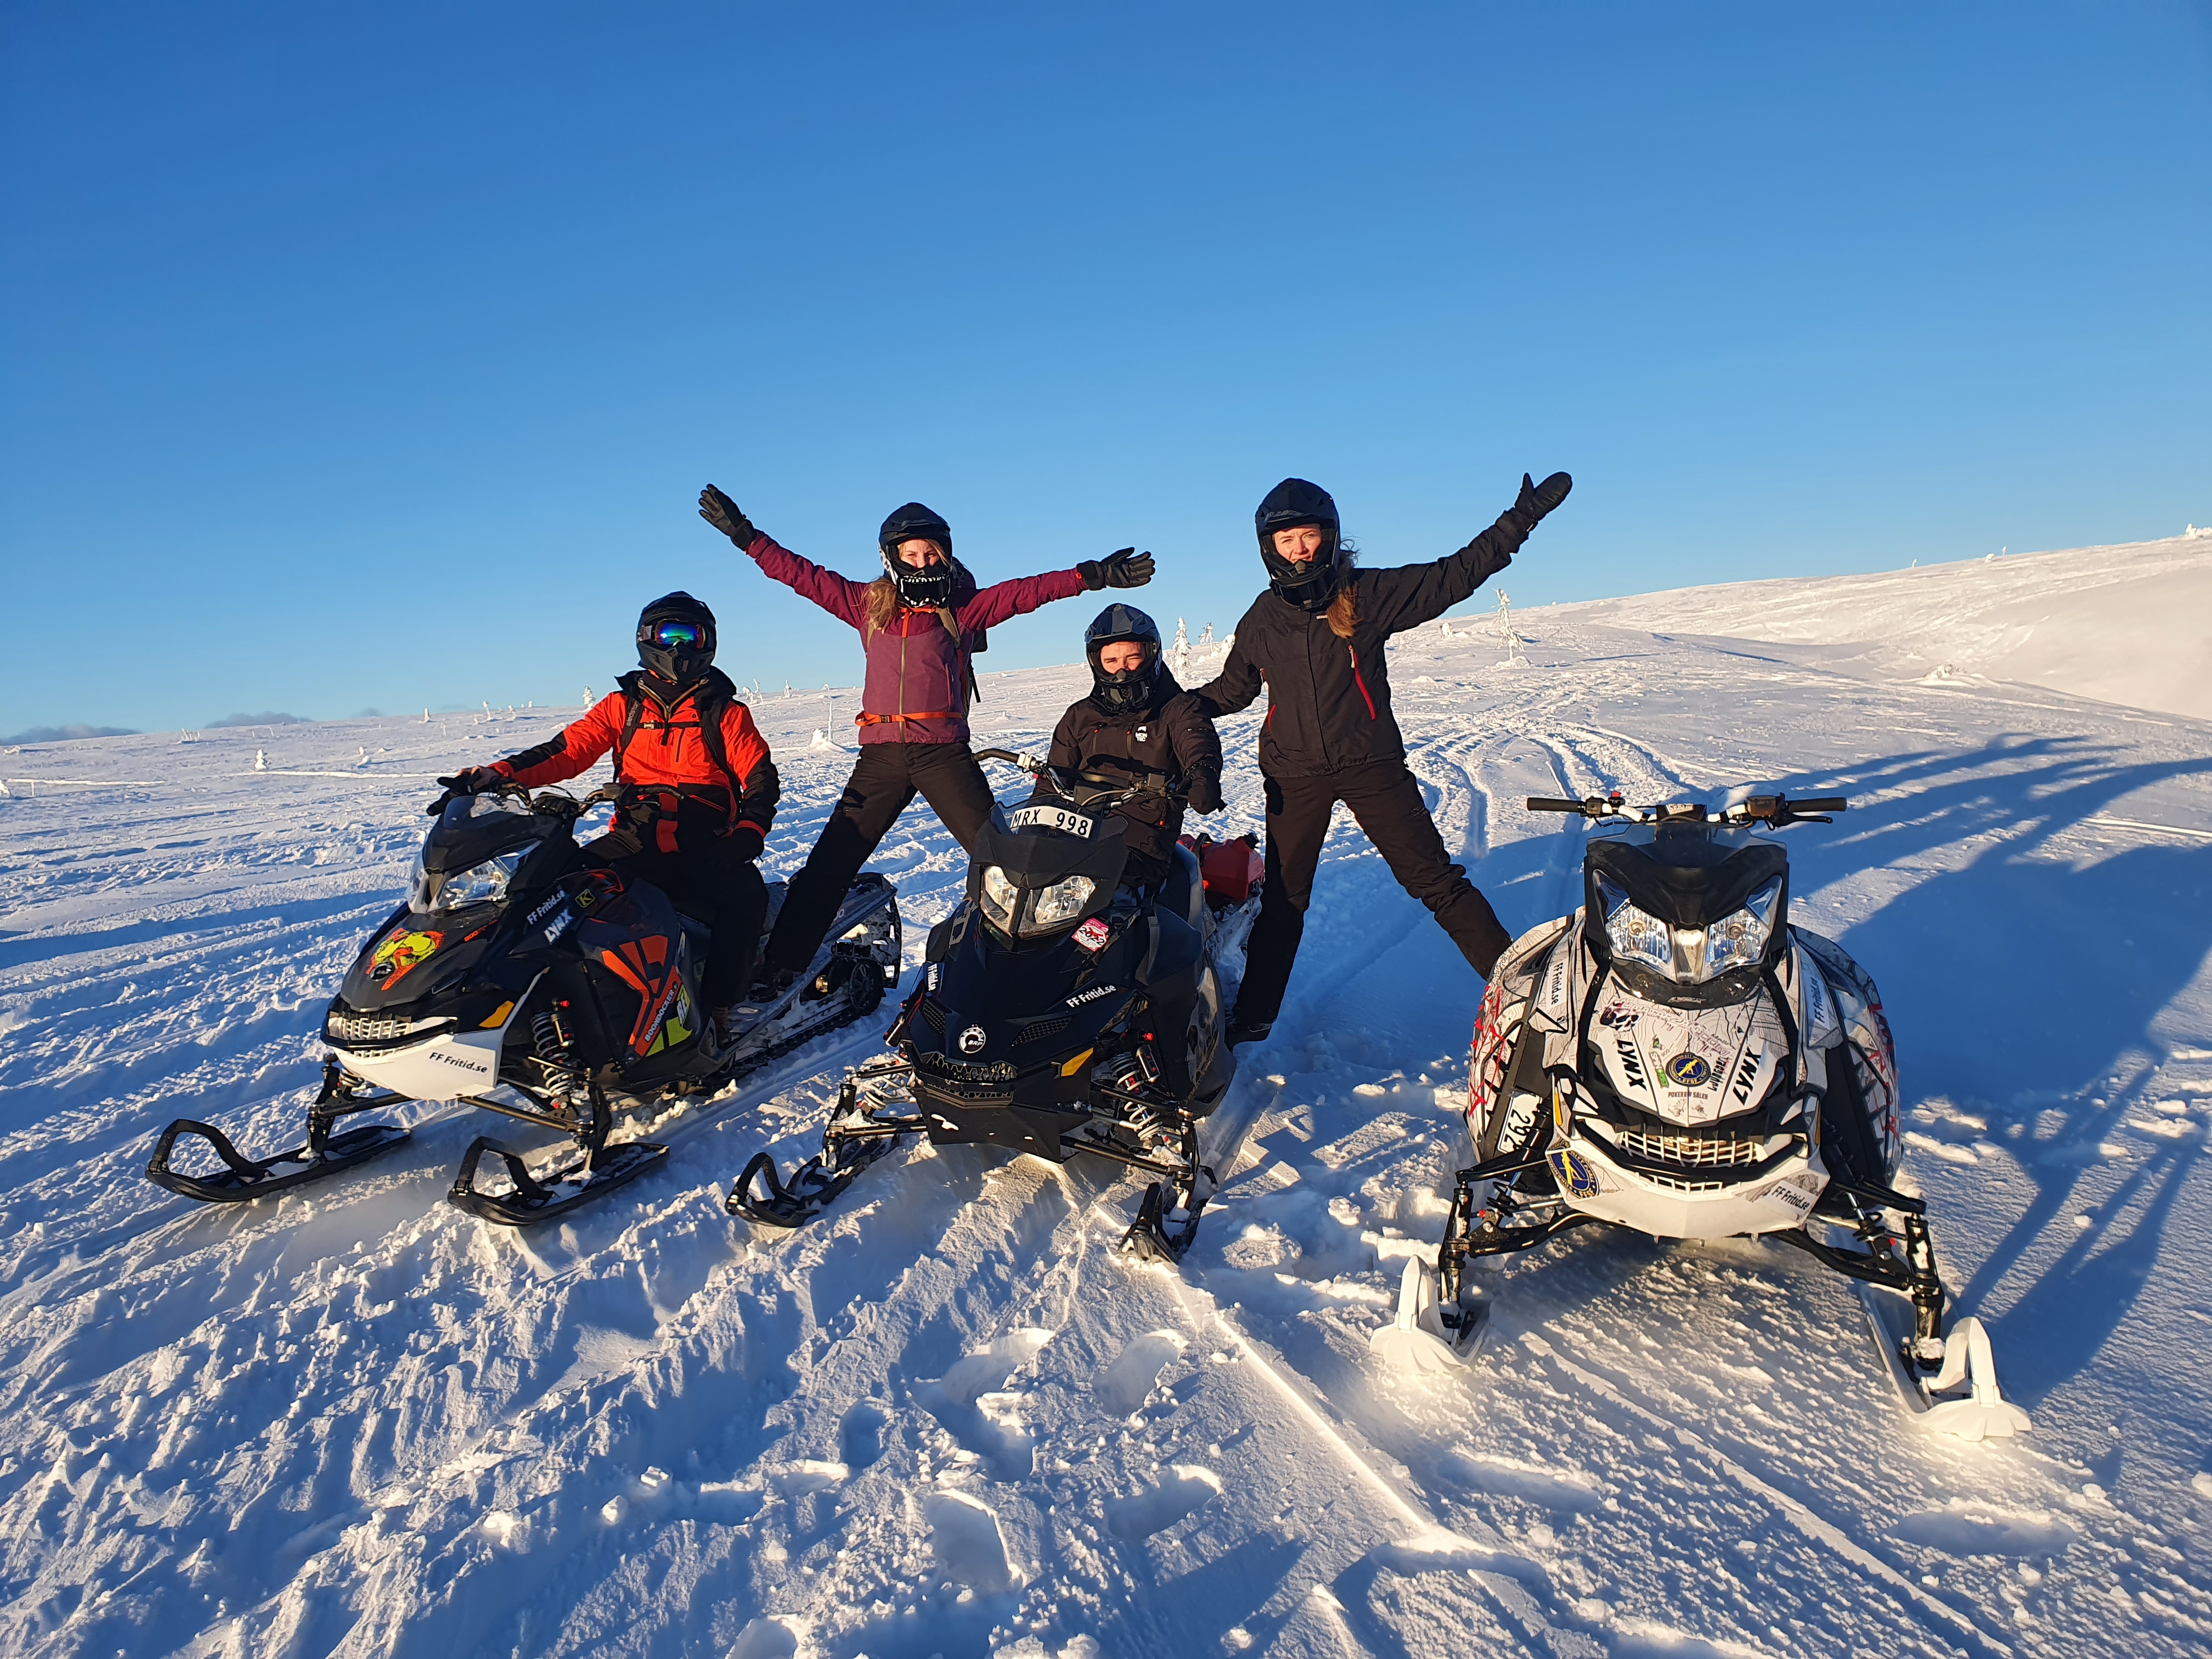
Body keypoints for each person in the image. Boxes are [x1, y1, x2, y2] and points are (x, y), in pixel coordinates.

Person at [698, 484, 1152, 991]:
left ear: (946, 555)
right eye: (911, 555)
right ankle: (780, 968)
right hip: (881, 759)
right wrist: (746, 536)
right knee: (831, 863)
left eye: (931, 554)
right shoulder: (866, 605)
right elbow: (801, 574)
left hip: (943, 756)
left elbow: (1027, 592)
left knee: (1002, 859)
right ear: (891, 559)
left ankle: (1045, 960)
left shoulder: (963, 608)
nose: (922, 563)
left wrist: (1093, 575)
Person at [1192, 471, 1573, 1046]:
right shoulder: (1261, 619)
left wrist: (1518, 522)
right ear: (1268, 547)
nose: (1300, 549)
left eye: (1309, 536)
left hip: (1371, 764)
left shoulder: (1365, 594)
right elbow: (1232, 690)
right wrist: (1171, 711)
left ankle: (1526, 993)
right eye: (1286, 540)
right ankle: (1253, 1018)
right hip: (1294, 775)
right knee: (1284, 904)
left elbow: (1454, 575)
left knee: (1436, 882)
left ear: (1330, 536)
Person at [444, 591, 778, 1046]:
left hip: (703, 843)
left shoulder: (725, 712)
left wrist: (748, 833)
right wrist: (497, 774)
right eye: (669, 634)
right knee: (549, 890)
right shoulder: (624, 706)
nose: (679, 647)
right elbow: (566, 752)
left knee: (745, 901)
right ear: (647, 639)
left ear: (709, 643)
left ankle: (720, 1005)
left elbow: (760, 778)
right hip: (634, 839)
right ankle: (534, 998)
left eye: (691, 636)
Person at [1037, 604, 1223, 890]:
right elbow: (1052, 780)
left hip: (1142, 838)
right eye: (1111, 660)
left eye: (1132, 658)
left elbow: (1197, 740)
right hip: (1078, 830)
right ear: (1097, 663)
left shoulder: (1178, 709)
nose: (1121, 671)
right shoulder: (1079, 716)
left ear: (1151, 656)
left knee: (1110, 905)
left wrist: (1203, 774)